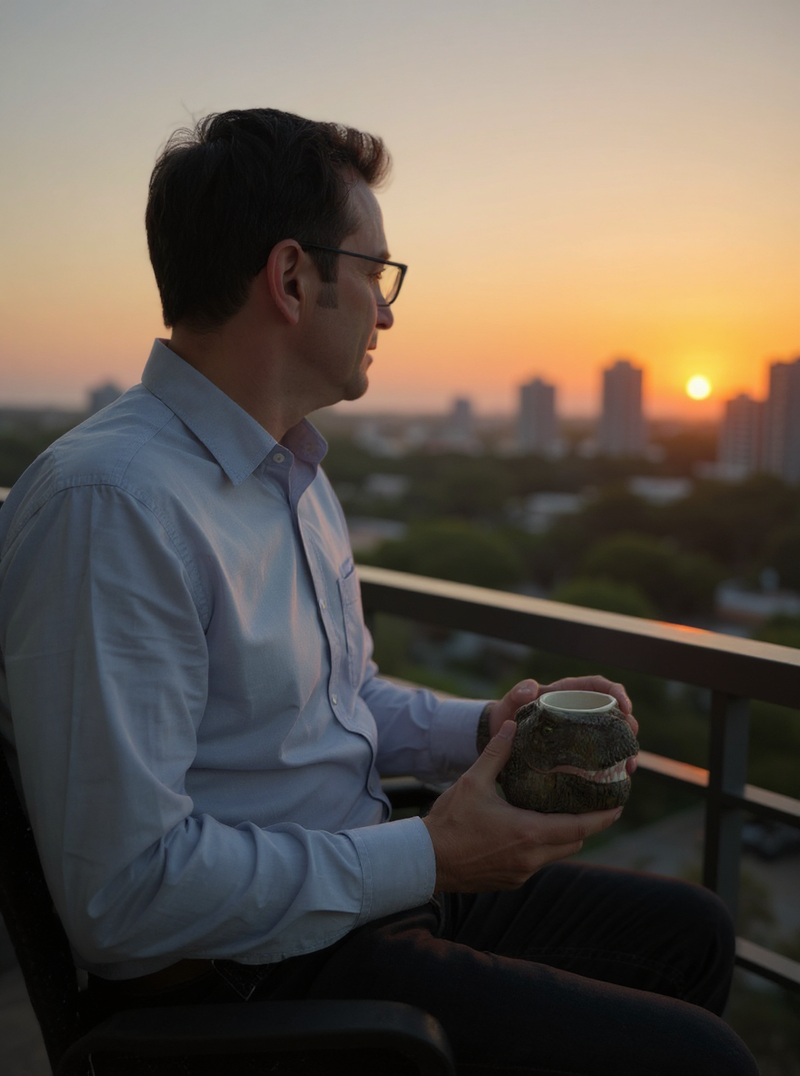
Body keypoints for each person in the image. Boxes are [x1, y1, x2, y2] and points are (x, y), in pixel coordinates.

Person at [0, 108, 757, 1075]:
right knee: (707, 1063)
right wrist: (431, 857)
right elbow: (125, 898)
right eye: (376, 275)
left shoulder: (293, 472)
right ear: (290, 278)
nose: (389, 312)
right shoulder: (112, 506)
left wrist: (483, 727)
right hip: (245, 974)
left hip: (361, 883)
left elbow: (342, 698)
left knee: (693, 932)